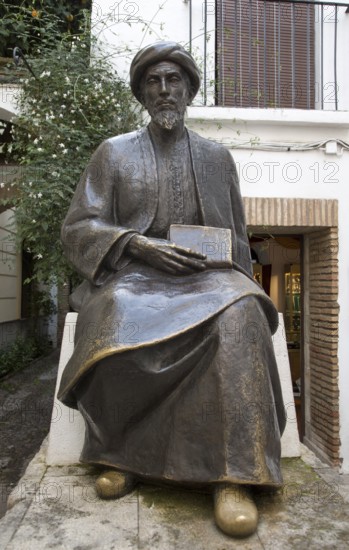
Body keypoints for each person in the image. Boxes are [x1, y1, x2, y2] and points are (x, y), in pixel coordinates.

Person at [58, 41, 286, 538]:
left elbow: (238, 238)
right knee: (116, 311)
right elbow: (78, 228)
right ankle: (122, 455)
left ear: (188, 91)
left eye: (173, 81)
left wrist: (231, 271)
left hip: (206, 275)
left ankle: (234, 476)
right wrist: (138, 245)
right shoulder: (113, 153)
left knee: (242, 313)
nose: (164, 90)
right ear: (142, 93)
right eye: (154, 82)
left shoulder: (216, 157)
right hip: (134, 273)